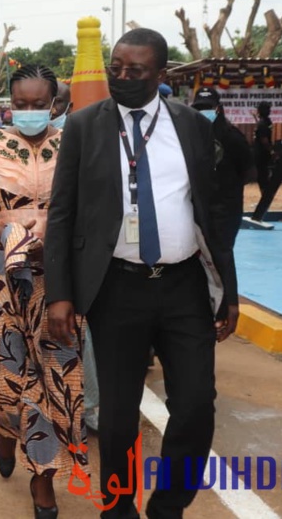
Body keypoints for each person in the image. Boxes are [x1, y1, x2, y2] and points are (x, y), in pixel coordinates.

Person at [45, 28, 239, 519]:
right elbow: (62, 213)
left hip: (183, 288)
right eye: (116, 68)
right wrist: (59, 294)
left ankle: (169, 507)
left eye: (136, 71)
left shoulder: (192, 125)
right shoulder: (85, 126)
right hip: (116, 288)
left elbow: (211, 215)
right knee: (117, 415)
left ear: (161, 75)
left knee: (196, 404)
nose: (123, 77)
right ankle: (119, 508)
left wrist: (229, 293)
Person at [0, 65, 84, 519]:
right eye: (20, 104)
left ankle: (43, 478)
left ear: (55, 104)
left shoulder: (74, 147)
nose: (28, 112)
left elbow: (89, 210)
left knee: (60, 376)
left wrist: (57, 246)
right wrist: (10, 235)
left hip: (60, 280)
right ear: (9, 102)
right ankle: (7, 427)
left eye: (38, 104)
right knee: (13, 373)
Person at [191, 87, 255, 249]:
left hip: (225, 211)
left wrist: (226, 187)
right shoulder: (189, 136)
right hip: (196, 210)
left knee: (221, 258)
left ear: (218, 108)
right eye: (199, 108)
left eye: (208, 108)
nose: (203, 112)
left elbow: (248, 172)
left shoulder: (233, 137)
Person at [253, 100, 273, 195]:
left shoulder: (262, 124)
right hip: (264, 154)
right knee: (264, 176)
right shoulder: (267, 121)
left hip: (261, 154)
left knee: (262, 177)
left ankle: (264, 198)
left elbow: (264, 140)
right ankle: (265, 196)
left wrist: (271, 151)